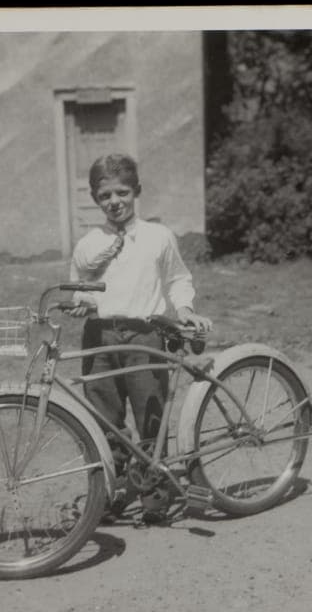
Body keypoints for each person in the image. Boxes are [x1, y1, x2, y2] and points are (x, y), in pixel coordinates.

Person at [68, 153, 212, 523]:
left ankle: (154, 495)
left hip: (144, 336)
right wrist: (81, 301)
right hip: (100, 337)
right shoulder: (88, 243)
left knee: (150, 412)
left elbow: (178, 278)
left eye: (122, 192)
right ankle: (110, 492)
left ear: (137, 191)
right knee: (105, 418)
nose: (114, 202)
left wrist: (184, 309)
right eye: (105, 196)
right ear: (95, 198)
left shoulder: (157, 236)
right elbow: (79, 286)